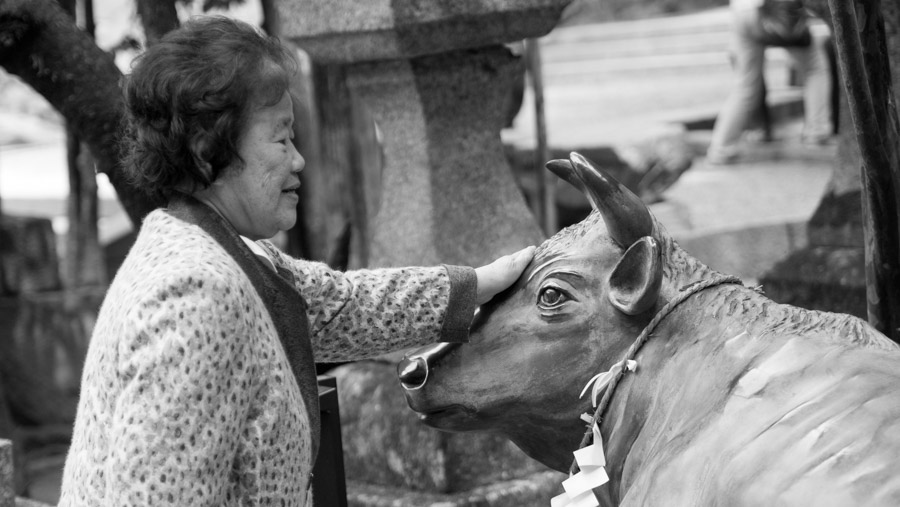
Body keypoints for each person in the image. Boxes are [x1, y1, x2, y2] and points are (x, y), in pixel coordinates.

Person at [57, 16, 534, 506]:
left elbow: (343, 306)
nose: (298, 159)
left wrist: (477, 286)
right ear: (207, 151)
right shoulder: (196, 293)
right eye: (281, 139)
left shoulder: (226, 251)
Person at [707, 0, 834, 164]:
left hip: (741, 12)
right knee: (814, 68)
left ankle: (721, 148)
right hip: (777, 10)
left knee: (745, 87)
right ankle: (817, 132)